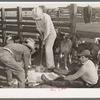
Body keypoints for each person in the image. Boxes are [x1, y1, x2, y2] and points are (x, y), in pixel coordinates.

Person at [32, 7, 57, 71]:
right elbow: (38, 29)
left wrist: (44, 39)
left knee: (48, 48)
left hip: (51, 34)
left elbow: (48, 30)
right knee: (42, 48)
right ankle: (42, 64)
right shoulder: (36, 19)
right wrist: (41, 36)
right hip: (43, 34)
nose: (37, 19)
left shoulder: (46, 17)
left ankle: (51, 66)